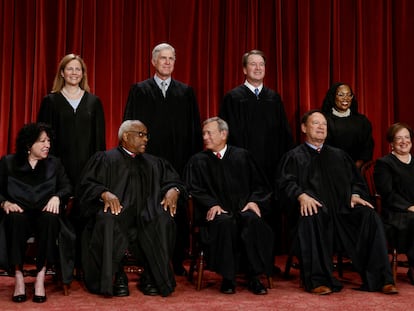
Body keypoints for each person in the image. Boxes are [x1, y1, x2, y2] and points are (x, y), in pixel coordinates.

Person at [276, 109, 397, 295]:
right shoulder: (293, 156)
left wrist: (355, 194)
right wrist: (301, 195)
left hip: (342, 211)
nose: (321, 127)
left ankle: (381, 279)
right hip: (316, 214)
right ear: (303, 128)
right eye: (316, 123)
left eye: (324, 124)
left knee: (369, 216)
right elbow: (284, 184)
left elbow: (357, 182)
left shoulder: (339, 155)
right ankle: (318, 279)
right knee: (311, 214)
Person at [77, 120, 186, 297]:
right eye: (140, 134)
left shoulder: (155, 163)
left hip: (148, 214)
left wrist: (174, 190)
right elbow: (86, 185)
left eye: (146, 135)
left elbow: (174, 181)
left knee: (164, 219)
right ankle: (116, 276)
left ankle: (152, 276)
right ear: (125, 136)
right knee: (106, 219)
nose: (146, 139)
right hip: (118, 214)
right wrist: (104, 193)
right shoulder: (105, 159)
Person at [123, 43, 202, 275]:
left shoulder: (185, 92)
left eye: (171, 59)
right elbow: (129, 126)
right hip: (146, 164)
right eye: (163, 58)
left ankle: (176, 262)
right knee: (147, 211)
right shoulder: (139, 90)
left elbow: (195, 130)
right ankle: (148, 261)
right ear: (154, 62)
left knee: (175, 212)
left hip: (178, 163)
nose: (167, 62)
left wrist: (191, 163)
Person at [219, 49, 294, 264]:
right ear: (244, 69)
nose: (258, 68)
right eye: (253, 64)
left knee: (268, 212)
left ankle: (266, 262)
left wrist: (284, 164)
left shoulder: (274, 98)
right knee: (244, 211)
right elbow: (226, 136)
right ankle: (244, 262)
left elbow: (284, 135)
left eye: (261, 64)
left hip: (271, 166)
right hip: (242, 168)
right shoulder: (233, 98)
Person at [184, 117, 274, 295]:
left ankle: (254, 276)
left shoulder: (243, 156)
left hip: (242, 209)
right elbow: (193, 189)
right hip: (215, 214)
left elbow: (260, 185)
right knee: (224, 223)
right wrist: (212, 204)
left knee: (252, 222)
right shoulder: (198, 161)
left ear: (223, 134)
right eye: (203, 133)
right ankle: (228, 277)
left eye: (209, 133)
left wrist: (253, 202)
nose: (205, 137)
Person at [37, 53, 106, 276]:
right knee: (59, 214)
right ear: (62, 73)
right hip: (58, 168)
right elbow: (43, 138)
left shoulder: (94, 102)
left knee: (84, 213)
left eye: (78, 69)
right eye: (70, 69)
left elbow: (99, 141)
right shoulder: (51, 101)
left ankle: (84, 263)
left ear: (83, 74)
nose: (74, 73)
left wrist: (98, 170)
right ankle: (59, 264)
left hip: (87, 169)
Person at [0, 123, 73, 303]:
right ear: (28, 145)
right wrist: (5, 202)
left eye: (48, 141)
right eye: (42, 141)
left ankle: (40, 277)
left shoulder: (54, 163)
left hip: (43, 213)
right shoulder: (8, 163)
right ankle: (19, 278)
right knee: (14, 219)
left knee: (50, 219)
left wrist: (57, 196)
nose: (47, 145)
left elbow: (67, 187)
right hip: (20, 213)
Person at [374, 122, 414, 285]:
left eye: (407, 137)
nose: (404, 141)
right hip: (395, 215)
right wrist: (409, 207)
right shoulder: (384, 164)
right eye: (399, 138)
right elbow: (387, 194)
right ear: (391, 142)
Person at [321, 82, 374, 169]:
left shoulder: (362, 121)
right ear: (333, 96)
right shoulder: (324, 119)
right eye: (341, 95)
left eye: (349, 95)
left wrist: (359, 163)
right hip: (331, 168)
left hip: (357, 169)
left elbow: (368, 145)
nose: (346, 98)